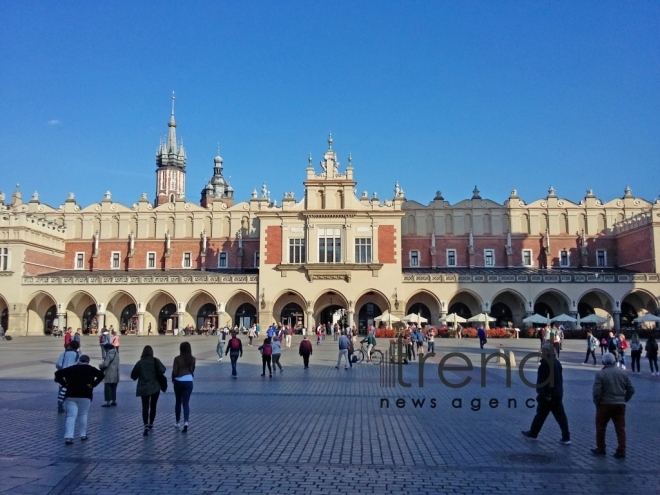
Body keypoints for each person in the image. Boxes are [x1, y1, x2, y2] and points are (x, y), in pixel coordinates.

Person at [522, 344, 571, 445]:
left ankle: (533, 433)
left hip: (548, 395)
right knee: (557, 416)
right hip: (556, 393)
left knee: (542, 414)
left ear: (547, 351)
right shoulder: (556, 362)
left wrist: (546, 394)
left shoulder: (546, 363)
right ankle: (565, 437)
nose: (541, 352)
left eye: (543, 350)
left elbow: (547, 380)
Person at [591, 352, 635, 458]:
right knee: (620, 428)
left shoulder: (600, 374)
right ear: (614, 361)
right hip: (619, 405)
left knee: (601, 427)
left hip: (605, 404)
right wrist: (624, 399)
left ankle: (601, 448)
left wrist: (597, 402)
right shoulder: (623, 373)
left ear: (603, 362)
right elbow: (631, 389)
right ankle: (621, 449)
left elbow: (596, 391)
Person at [54, 354, 104, 445]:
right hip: (85, 395)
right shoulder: (91, 369)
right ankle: (83, 435)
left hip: (71, 394)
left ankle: (69, 437)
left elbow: (57, 374)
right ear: (88, 361)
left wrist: (65, 383)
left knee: (71, 416)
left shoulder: (72, 368)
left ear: (79, 360)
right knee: (83, 415)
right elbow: (101, 375)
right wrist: (93, 384)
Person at [130, 345, 166, 436]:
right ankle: (151, 423)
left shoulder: (140, 363)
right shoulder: (155, 361)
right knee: (153, 406)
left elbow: (133, 376)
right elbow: (163, 370)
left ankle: (145, 425)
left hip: (144, 388)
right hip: (155, 387)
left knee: (145, 407)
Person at [172, 342, 196, 433]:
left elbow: (175, 371)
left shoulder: (177, 359)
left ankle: (177, 422)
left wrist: (174, 378)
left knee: (178, 401)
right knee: (186, 403)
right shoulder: (193, 359)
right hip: (189, 381)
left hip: (178, 381)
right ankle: (186, 422)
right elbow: (193, 369)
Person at [55, 341, 81, 413]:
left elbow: (58, 364)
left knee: (62, 391)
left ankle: (60, 405)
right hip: (74, 376)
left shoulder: (64, 354)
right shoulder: (78, 355)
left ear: (70, 346)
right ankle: (70, 407)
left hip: (64, 376)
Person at [99, 343, 119, 407]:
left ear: (107, 349)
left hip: (109, 373)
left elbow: (105, 364)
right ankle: (114, 400)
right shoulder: (116, 354)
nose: (105, 350)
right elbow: (105, 358)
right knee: (114, 388)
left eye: (105, 349)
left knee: (108, 388)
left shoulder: (109, 355)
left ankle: (108, 402)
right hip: (116, 373)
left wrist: (100, 365)